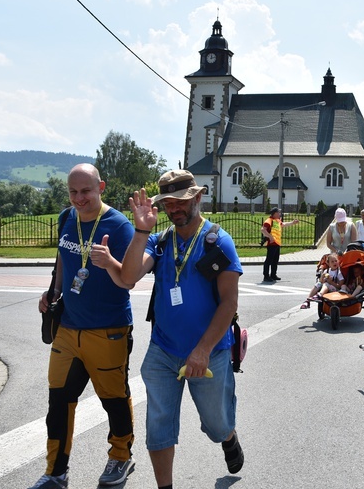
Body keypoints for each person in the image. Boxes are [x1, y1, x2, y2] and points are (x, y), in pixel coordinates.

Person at [120, 170, 244, 489]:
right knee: (158, 425)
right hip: (163, 350)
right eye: (168, 203)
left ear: (197, 197)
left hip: (210, 352)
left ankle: (228, 437)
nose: (174, 208)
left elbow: (229, 304)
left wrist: (201, 350)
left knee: (216, 424)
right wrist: (140, 231)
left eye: (181, 201)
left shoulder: (218, 241)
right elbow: (129, 277)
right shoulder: (160, 242)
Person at [30, 164, 136, 489]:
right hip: (68, 329)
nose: (79, 198)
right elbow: (63, 258)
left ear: (100, 186)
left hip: (108, 331)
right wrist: (54, 292)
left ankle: (120, 457)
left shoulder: (119, 226)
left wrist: (111, 263)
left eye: (86, 191)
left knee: (114, 399)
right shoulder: (67, 218)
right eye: (73, 192)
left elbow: (129, 279)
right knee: (58, 402)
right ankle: (56, 471)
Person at [261, 207, 299, 282]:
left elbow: (283, 224)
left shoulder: (277, 220)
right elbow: (263, 230)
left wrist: (292, 223)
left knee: (275, 260)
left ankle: (273, 275)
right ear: (275, 213)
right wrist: (270, 237)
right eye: (278, 212)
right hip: (271, 244)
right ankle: (266, 276)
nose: (280, 214)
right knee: (269, 260)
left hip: (277, 243)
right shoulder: (269, 220)